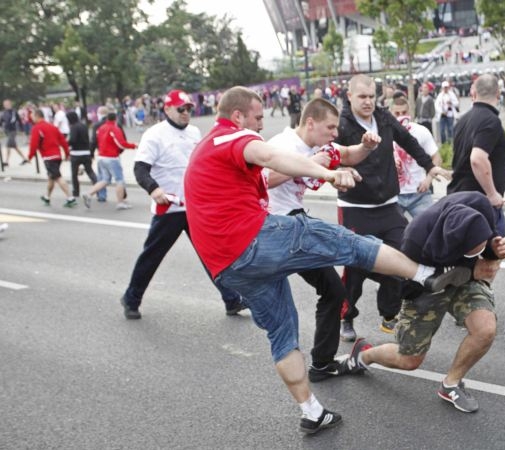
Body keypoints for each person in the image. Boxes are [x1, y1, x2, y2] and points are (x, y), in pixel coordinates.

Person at [182, 86, 471, 434]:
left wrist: (362, 149)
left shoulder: (217, 148)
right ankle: (425, 274)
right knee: (348, 243)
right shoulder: (234, 137)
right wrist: (328, 174)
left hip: (228, 266)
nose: (261, 125)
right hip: (259, 237)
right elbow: (270, 159)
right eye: (257, 118)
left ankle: (312, 411)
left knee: (284, 329)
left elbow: (345, 153)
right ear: (238, 116)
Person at [340, 192, 505, 413]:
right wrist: (471, 269)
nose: (478, 251)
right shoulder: (414, 240)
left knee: (485, 329)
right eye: (472, 250)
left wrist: (494, 251)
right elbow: (408, 286)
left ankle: (451, 384)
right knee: (409, 360)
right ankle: (364, 355)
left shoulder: (479, 205)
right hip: (424, 285)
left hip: (465, 279)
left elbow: (488, 247)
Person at [265, 97, 387, 382]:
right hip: (278, 228)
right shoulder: (283, 145)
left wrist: (366, 146)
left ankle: (321, 364)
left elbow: (348, 154)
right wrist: (311, 165)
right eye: (330, 127)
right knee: (350, 255)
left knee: (333, 289)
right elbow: (265, 178)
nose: (335, 133)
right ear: (310, 123)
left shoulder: (320, 146)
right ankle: (402, 280)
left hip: (294, 225)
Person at [335, 75, 450, 341]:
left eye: (371, 96)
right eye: (362, 97)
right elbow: (325, 153)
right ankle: (346, 316)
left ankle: (389, 313)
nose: (368, 102)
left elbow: (408, 141)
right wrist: (339, 169)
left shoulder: (384, 118)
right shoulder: (341, 125)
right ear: (350, 97)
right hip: (355, 208)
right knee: (356, 267)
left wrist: (429, 166)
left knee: (403, 256)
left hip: (388, 206)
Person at [117, 90, 246, 320]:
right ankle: (131, 298)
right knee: (152, 256)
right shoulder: (154, 135)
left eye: (189, 109)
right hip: (170, 208)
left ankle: (231, 299)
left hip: (195, 206)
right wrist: (154, 189)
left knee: (211, 254)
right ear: (167, 109)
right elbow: (140, 169)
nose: (186, 113)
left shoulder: (194, 132)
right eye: (181, 109)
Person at [447, 74, 505, 236]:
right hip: (480, 204)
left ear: (474, 93)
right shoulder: (490, 120)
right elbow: (477, 159)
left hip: (461, 197)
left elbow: (466, 155)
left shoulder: (463, 120)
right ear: (498, 93)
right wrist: (492, 194)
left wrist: (500, 166)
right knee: (494, 249)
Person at [390, 96, 443, 218]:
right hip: (394, 195)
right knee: (391, 229)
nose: (401, 116)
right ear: (391, 113)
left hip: (419, 194)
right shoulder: (384, 132)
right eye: (397, 113)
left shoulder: (421, 131)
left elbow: (437, 158)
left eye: (404, 112)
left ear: (409, 112)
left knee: (431, 225)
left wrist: (428, 180)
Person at [83, 109, 137, 209]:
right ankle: (120, 202)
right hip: (112, 158)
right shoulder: (115, 128)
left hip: (101, 157)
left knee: (105, 180)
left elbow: (95, 141)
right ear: (115, 119)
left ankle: (89, 194)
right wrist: (134, 146)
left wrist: (92, 153)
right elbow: (121, 143)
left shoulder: (101, 128)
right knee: (119, 180)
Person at [28, 109, 77, 207]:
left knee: (57, 177)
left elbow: (34, 144)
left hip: (48, 157)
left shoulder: (37, 128)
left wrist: (30, 156)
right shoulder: (52, 127)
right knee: (51, 177)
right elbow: (63, 141)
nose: (31, 118)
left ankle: (70, 198)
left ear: (37, 116)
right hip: (57, 156)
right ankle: (47, 197)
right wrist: (66, 153)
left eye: (32, 116)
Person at [66, 111, 96, 198]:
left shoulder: (73, 127)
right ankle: (98, 187)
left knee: (74, 174)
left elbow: (73, 140)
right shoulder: (83, 126)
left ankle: (76, 192)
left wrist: (66, 143)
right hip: (86, 152)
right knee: (90, 171)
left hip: (76, 153)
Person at [1, 99, 30, 168]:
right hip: (7, 131)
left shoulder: (14, 112)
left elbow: (19, 120)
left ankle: (6, 162)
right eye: (5, 104)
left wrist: (22, 130)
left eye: (7, 104)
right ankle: (25, 159)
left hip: (13, 131)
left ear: (10, 104)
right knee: (14, 147)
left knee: (8, 145)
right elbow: (1, 121)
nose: (6, 105)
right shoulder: (4, 113)